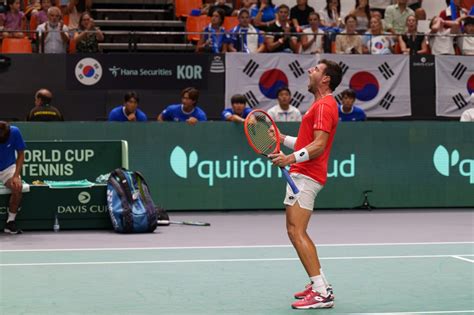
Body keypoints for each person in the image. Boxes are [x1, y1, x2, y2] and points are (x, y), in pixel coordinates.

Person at [267, 59, 343, 309]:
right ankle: (320, 283)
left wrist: (289, 158)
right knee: (296, 230)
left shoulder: (324, 106)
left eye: (316, 69)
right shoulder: (321, 105)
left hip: (306, 175)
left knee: (295, 231)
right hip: (305, 173)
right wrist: (281, 138)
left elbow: (319, 145)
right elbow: (305, 141)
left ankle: (322, 293)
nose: (311, 70)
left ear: (325, 79)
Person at [0, 121, 26, 235]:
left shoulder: (15, 132)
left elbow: (21, 154)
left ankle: (10, 222)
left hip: (7, 168)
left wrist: (15, 176)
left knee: (17, 187)